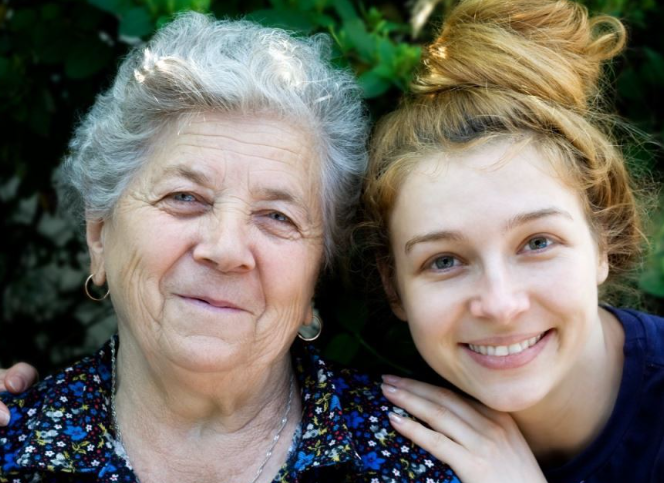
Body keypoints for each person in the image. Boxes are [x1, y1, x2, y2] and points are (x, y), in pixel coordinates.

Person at [0, 12, 455, 483]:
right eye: (185, 198)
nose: (226, 249)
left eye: (277, 216)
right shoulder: (12, 451)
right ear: (99, 236)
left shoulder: (433, 462)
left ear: (316, 275)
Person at [361, 0, 664, 482]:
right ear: (394, 287)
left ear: (603, 242)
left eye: (537, 243)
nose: (500, 305)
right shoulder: (380, 438)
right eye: (445, 260)